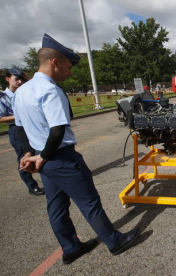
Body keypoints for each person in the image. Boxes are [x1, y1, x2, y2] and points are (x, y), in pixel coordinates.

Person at [13, 33, 140, 264]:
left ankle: (71, 248)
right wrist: (43, 156)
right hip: (59, 156)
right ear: (55, 62)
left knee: (57, 207)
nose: (70, 72)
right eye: (69, 66)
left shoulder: (21, 91)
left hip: (44, 159)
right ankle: (115, 241)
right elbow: (57, 130)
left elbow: (20, 128)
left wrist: (30, 153)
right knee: (89, 202)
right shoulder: (51, 90)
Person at [0, 68, 45, 196]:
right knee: (24, 157)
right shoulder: (2, 97)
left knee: (39, 152)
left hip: (31, 125)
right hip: (16, 128)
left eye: (22, 79)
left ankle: (49, 180)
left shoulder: (27, 92)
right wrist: (20, 115)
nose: (20, 82)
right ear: (7, 79)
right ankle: (32, 186)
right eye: (16, 79)